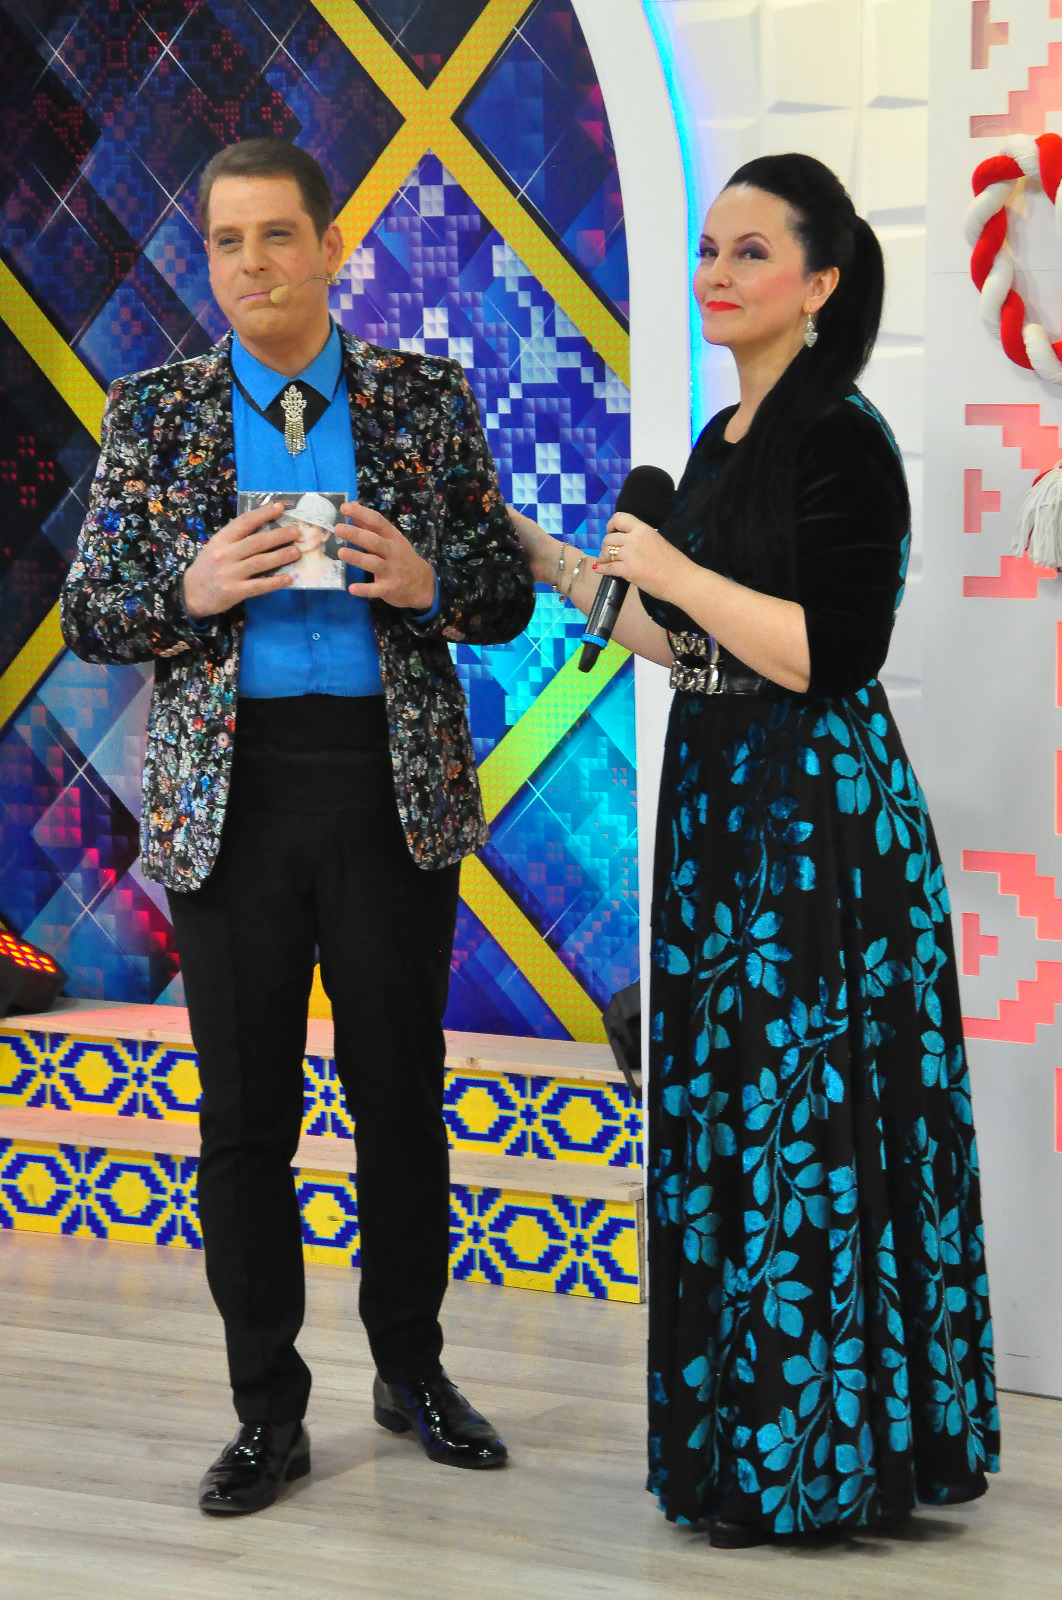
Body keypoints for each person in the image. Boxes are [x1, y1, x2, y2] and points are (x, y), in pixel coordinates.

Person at [510, 153, 999, 1545]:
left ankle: (828, 1466)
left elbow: (827, 652)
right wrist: (549, 557)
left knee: (809, 1124)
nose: (715, 273)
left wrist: (672, 568)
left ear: (822, 282)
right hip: (719, 813)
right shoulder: (720, 443)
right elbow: (691, 647)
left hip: (820, 829)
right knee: (737, 1117)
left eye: (750, 252)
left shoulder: (841, 436)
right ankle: (746, 1453)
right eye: (708, 249)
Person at [61, 137, 534, 1516]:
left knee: (400, 1101)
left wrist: (428, 583)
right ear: (206, 258)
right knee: (245, 1118)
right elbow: (93, 612)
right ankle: (266, 1411)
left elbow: (503, 594)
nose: (252, 264)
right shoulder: (155, 412)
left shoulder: (421, 398)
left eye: (278, 235)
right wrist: (192, 590)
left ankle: (412, 1370)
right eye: (227, 241)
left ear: (334, 249)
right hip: (234, 798)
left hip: (387, 788)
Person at [280, 491, 345, 589]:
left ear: (325, 534)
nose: (298, 532)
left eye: (308, 525)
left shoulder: (341, 572)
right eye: (296, 524)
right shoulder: (283, 574)